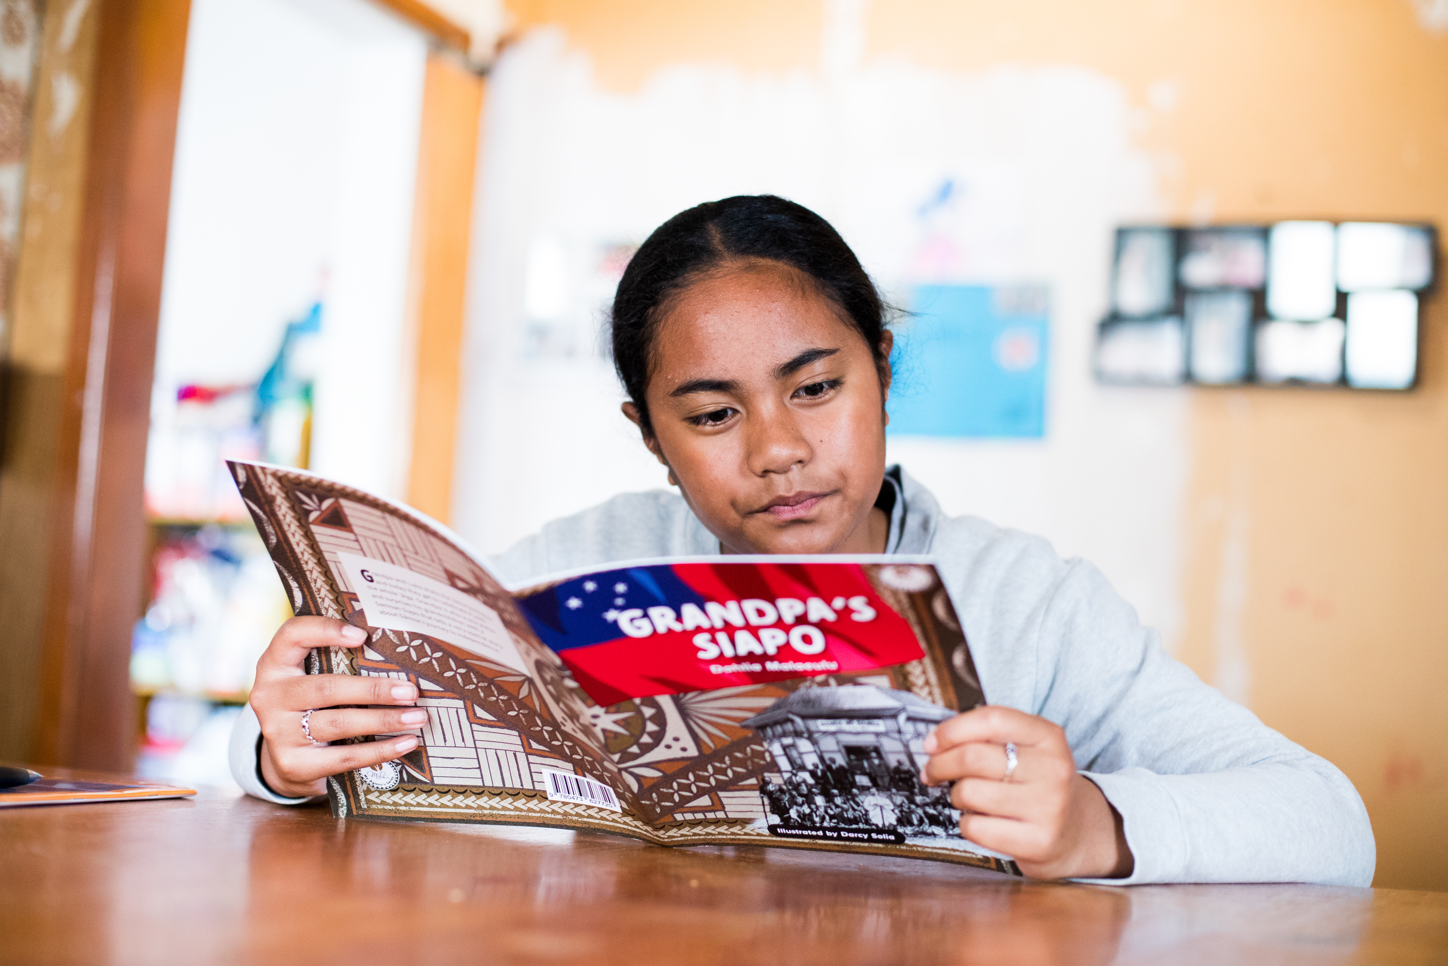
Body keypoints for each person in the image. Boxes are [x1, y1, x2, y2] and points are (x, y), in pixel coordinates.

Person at [230, 195, 1375, 885]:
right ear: (650, 435)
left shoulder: (1030, 599)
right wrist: (279, 758)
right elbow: (297, 778)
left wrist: (1099, 826)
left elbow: (1329, 825)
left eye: (816, 387)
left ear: (882, 366)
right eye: (712, 414)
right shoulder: (570, 569)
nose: (775, 450)